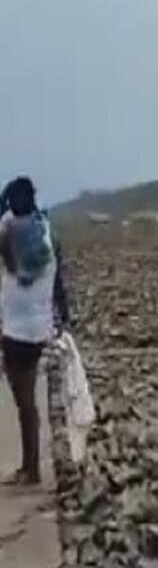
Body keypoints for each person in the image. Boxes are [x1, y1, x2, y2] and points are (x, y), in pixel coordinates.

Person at [0, 176, 72, 486]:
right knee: (29, 398)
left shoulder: (7, 234)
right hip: (41, 324)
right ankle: (31, 466)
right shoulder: (48, 233)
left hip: (14, 327)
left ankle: (30, 469)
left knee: (24, 402)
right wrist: (63, 315)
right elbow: (58, 279)